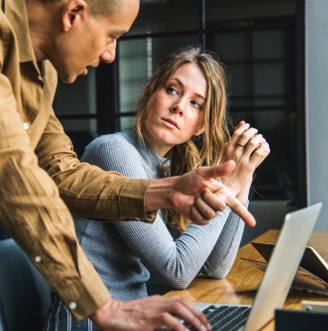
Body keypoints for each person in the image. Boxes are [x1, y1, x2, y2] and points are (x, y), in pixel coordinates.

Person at [0, 0, 257, 330]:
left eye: (195, 104)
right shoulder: (114, 148)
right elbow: (17, 178)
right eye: (112, 35)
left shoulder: (40, 69)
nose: (110, 54)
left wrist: (164, 190)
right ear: (73, 15)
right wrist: (102, 307)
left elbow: (60, 171)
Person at [44, 47, 270, 330]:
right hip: (88, 321)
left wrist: (243, 177)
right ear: (148, 93)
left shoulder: (167, 167)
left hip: (134, 318)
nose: (179, 107)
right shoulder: (114, 151)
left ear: (200, 126)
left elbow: (215, 268)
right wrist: (227, 186)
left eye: (196, 104)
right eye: (173, 90)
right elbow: (178, 270)